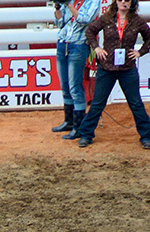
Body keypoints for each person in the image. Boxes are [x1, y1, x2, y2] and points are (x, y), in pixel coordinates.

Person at [77, 0, 150, 149]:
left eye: (126, 0)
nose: (123, 2)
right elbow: (90, 31)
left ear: (132, 2)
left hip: (127, 69)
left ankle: (146, 136)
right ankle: (86, 134)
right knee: (98, 103)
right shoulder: (107, 18)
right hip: (107, 68)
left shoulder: (137, 21)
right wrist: (96, 48)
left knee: (135, 103)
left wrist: (140, 52)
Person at [52, 0, 99, 140]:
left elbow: (84, 19)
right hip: (63, 43)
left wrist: (68, 5)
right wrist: (57, 6)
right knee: (65, 85)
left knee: (74, 86)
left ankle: (78, 127)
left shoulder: (92, 2)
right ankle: (69, 121)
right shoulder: (71, 2)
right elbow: (60, 23)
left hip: (78, 45)